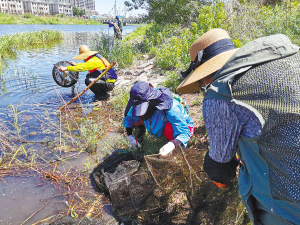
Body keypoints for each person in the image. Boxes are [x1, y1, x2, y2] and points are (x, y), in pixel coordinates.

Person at [176, 28, 300, 224]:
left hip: (288, 202)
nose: (203, 88)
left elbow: (220, 165)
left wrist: (220, 176)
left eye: (201, 83)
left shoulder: (222, 93)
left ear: (206, 75)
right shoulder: (288, 58)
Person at [123, 81, 194, 155]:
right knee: (134, 118)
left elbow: (184, 133)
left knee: (169, 129)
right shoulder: (139, 100)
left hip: (183, 127)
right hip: (159, 124)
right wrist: (130, 135)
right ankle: (142, 138)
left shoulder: (171, 108)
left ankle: (175, 146)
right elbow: (128, 118)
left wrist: (172, 144)